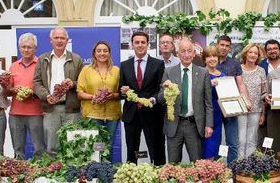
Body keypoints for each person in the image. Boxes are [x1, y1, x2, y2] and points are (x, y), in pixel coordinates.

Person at [158, 38, 213, 163]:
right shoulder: (168, 72)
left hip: (194, 125)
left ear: (194, 54)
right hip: (173, 126)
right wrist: (166, 91)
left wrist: (209, 124)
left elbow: (208, 103)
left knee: (197, 163)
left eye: (190, 51)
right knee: (173, 165)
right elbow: (160, 100)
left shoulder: (203, 73)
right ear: (178, 53)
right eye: (183, 51)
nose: (187, 54)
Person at [33, 26, 83, 156]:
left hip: (71, 110)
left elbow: (84, 84)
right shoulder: (42, 59)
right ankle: (53, 175)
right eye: (56, 38)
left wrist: (73, 84)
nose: (59, 40)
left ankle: (71, 175)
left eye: (62, 38)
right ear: (51, 40)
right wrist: (46, 96)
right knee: (51, 147)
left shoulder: (77, 59)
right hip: (51, 109)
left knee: (72, 146)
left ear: (67, 40)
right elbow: (36, 83)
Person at [119, 31, 166, 165]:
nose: (140, 45)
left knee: (156, 151)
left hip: (153, 114)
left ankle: (159, 180)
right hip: (131, 115)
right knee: (131, 152)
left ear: (148, 45)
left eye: (143, 42)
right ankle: (132, 179)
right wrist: (123, 91)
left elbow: (161, 89)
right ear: (132, 45)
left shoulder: (158, 64)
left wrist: (153, 100)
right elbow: (120, 88)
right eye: (137, 42)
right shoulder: (124, 65)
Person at [77, 40, 122, 162]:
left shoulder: (117, 70)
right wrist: (93, 97)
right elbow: (79, 93)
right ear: (94, 54)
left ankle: (107, 175)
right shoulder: (86, 70)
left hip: (112, 115)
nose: (102, 53)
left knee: (109, 146)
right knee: (97, 147)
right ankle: (96, 175)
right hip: (93, 114)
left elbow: (121, 93)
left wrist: (111, 95)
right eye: (99, 51)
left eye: (105, 51)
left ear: (109, 53)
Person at [7, 33, 45, 159]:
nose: (26, 50)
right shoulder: (13, 66)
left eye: (29, 47)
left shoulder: (42, 64)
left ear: (35, 48)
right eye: (23, 47)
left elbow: (47, 87)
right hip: (16, 113)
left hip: (36, 112)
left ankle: (40, 174)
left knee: (39, 147)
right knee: (18, 149)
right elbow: (8, 90)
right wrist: (13, 89)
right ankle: (19, 175)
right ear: (19, 48)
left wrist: (33, 93)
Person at [216, 35, 251, 164]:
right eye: (222, 45)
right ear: (217, 45)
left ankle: (232, 171)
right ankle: (215, 171)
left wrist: (246, 100)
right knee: (214, 142)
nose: (224, 48)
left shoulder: (234, 63)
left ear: (230, 48)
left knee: (233, 143)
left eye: (227, 46)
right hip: (214, 108)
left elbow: (240, 84)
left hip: (231, 106)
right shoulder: (208, 61)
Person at [238, 43, 267, 159]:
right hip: (240, 110)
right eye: (250, 52)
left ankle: (249, 165)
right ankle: (239, 166)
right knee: (241, 140)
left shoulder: (261, 71)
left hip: (256, 110)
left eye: (256, 53)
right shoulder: (238, 69)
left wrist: (263, 113)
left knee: (252, 140)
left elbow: (264, 93)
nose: (253, 55)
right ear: (245, 53)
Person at [201, 45, 224, 159]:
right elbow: (196, 94)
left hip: (218, 116)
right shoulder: (199, 74)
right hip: (203, 116)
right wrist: (209, 84)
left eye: (214, 56)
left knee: (215, 148)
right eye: (208, 56)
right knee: (206, 149)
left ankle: (214, 174)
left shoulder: (222, 76)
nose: (212, 59)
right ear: (204, 59)